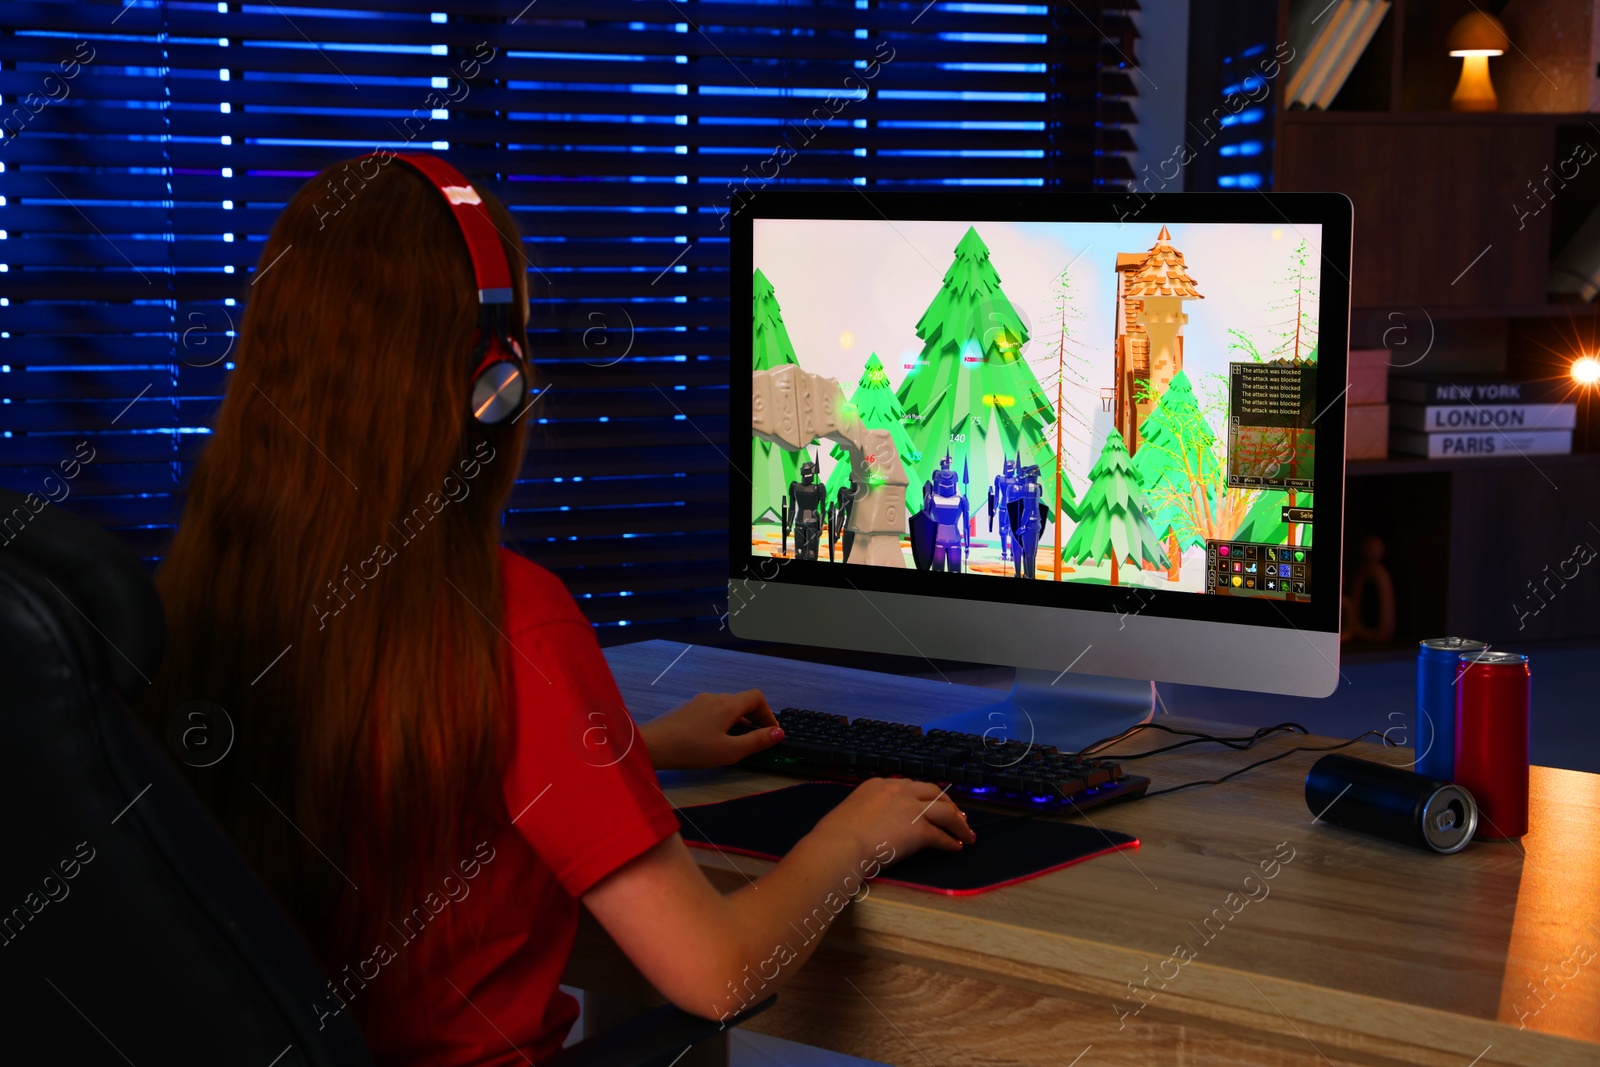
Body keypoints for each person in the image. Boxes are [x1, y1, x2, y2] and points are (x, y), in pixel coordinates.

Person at [135, 155, 973, 1067]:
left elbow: (399, 769)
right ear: (484, 389)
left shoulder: (206, 594)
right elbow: (718, 971)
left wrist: (624, 751)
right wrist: (852, 833)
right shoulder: (504, 620)